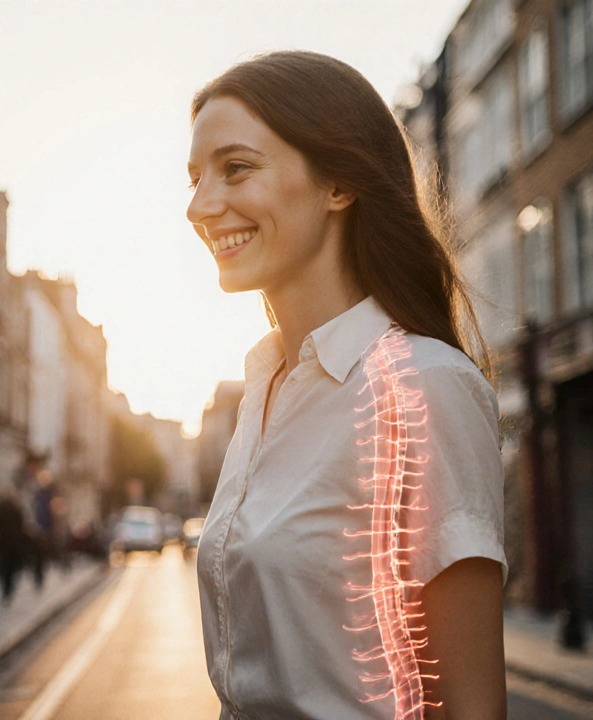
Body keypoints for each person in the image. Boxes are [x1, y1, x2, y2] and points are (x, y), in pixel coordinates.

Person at [185, 51, 507, 720]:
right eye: (194, 178)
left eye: (235, 169)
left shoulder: (424, 388)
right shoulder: (264, 389)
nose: (200, 205)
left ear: (338, 183)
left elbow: (472, 706)